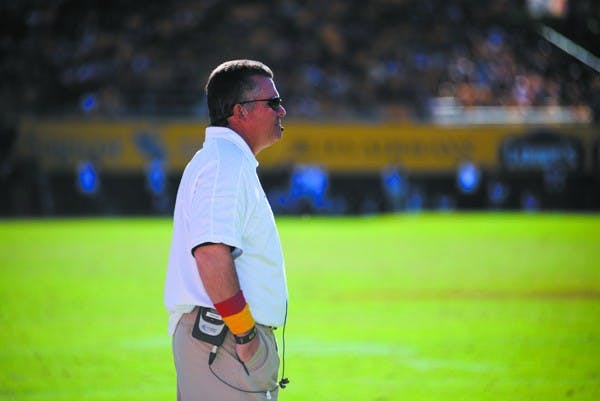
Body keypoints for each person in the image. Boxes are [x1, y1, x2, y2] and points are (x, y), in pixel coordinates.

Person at [164, 59, 289, 401]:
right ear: (241, 111)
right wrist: (246, 337)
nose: (282, 111)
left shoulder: (225, 161)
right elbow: (210, 253)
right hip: (224, 341)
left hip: (221, 339)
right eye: (273, 103)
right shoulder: (225, 165)